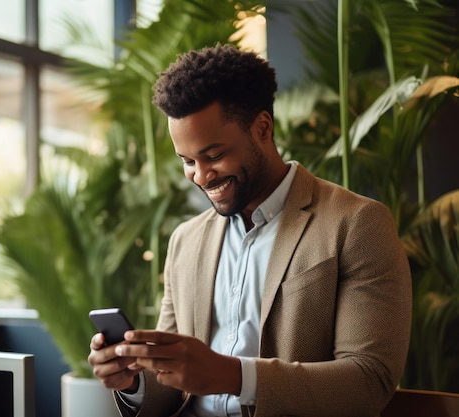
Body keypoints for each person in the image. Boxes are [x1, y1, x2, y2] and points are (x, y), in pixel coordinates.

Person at [88, 44, 412, 417]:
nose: (201, 175)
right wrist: (133, 380)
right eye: (187, 161)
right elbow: (174, 384)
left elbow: (369, 382)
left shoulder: (356, 224)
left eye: (213, 155)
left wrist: (233, 375)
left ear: (262, 128)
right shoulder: (185, 242)